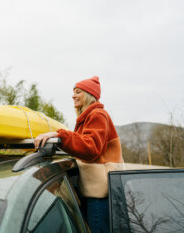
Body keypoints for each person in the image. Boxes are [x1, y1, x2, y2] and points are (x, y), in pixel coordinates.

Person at [34, 76, 124, 233]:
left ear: (89, 94)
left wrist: (60, 135)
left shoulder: (97, 114)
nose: (73, 96)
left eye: (78, 92)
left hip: (98, 193)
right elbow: (82, 146)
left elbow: (90, 149)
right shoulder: (89, 116)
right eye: (73, 92)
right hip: (96, 189)